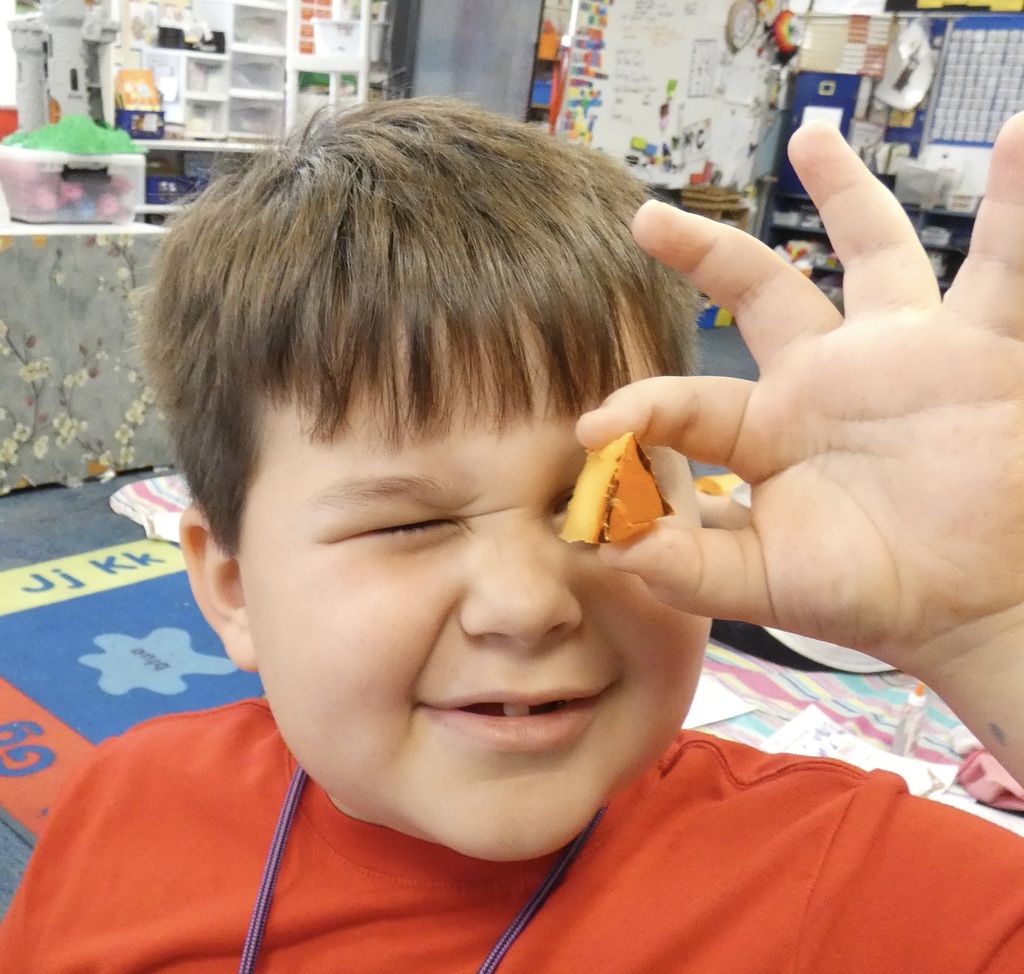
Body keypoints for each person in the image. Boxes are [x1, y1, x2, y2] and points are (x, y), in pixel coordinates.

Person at [1, 97, 1023, 971]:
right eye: (409, 518)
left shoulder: (847, 886)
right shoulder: (122, 810)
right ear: (230, 585)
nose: (529, 601)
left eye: (602, 495)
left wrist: (990, 632)